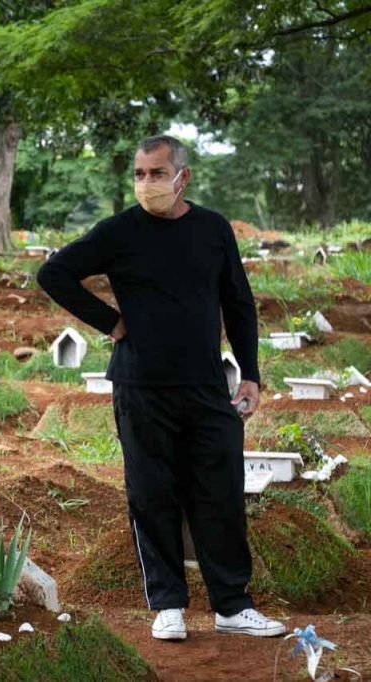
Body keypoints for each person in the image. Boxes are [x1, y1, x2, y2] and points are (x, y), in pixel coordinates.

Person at [36, 135, 286, 641]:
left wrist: (252, 372)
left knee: (220, 493)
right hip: (140, 385)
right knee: (152, 494)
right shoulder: (120, 230)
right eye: (138, 174)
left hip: (206, 385)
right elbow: (54, 273)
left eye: (155, 173)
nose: (146, 184)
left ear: (182, 177)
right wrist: (110, 322)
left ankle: (232, 605)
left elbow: (238, 303)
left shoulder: (212, 229)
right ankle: (168, 605)